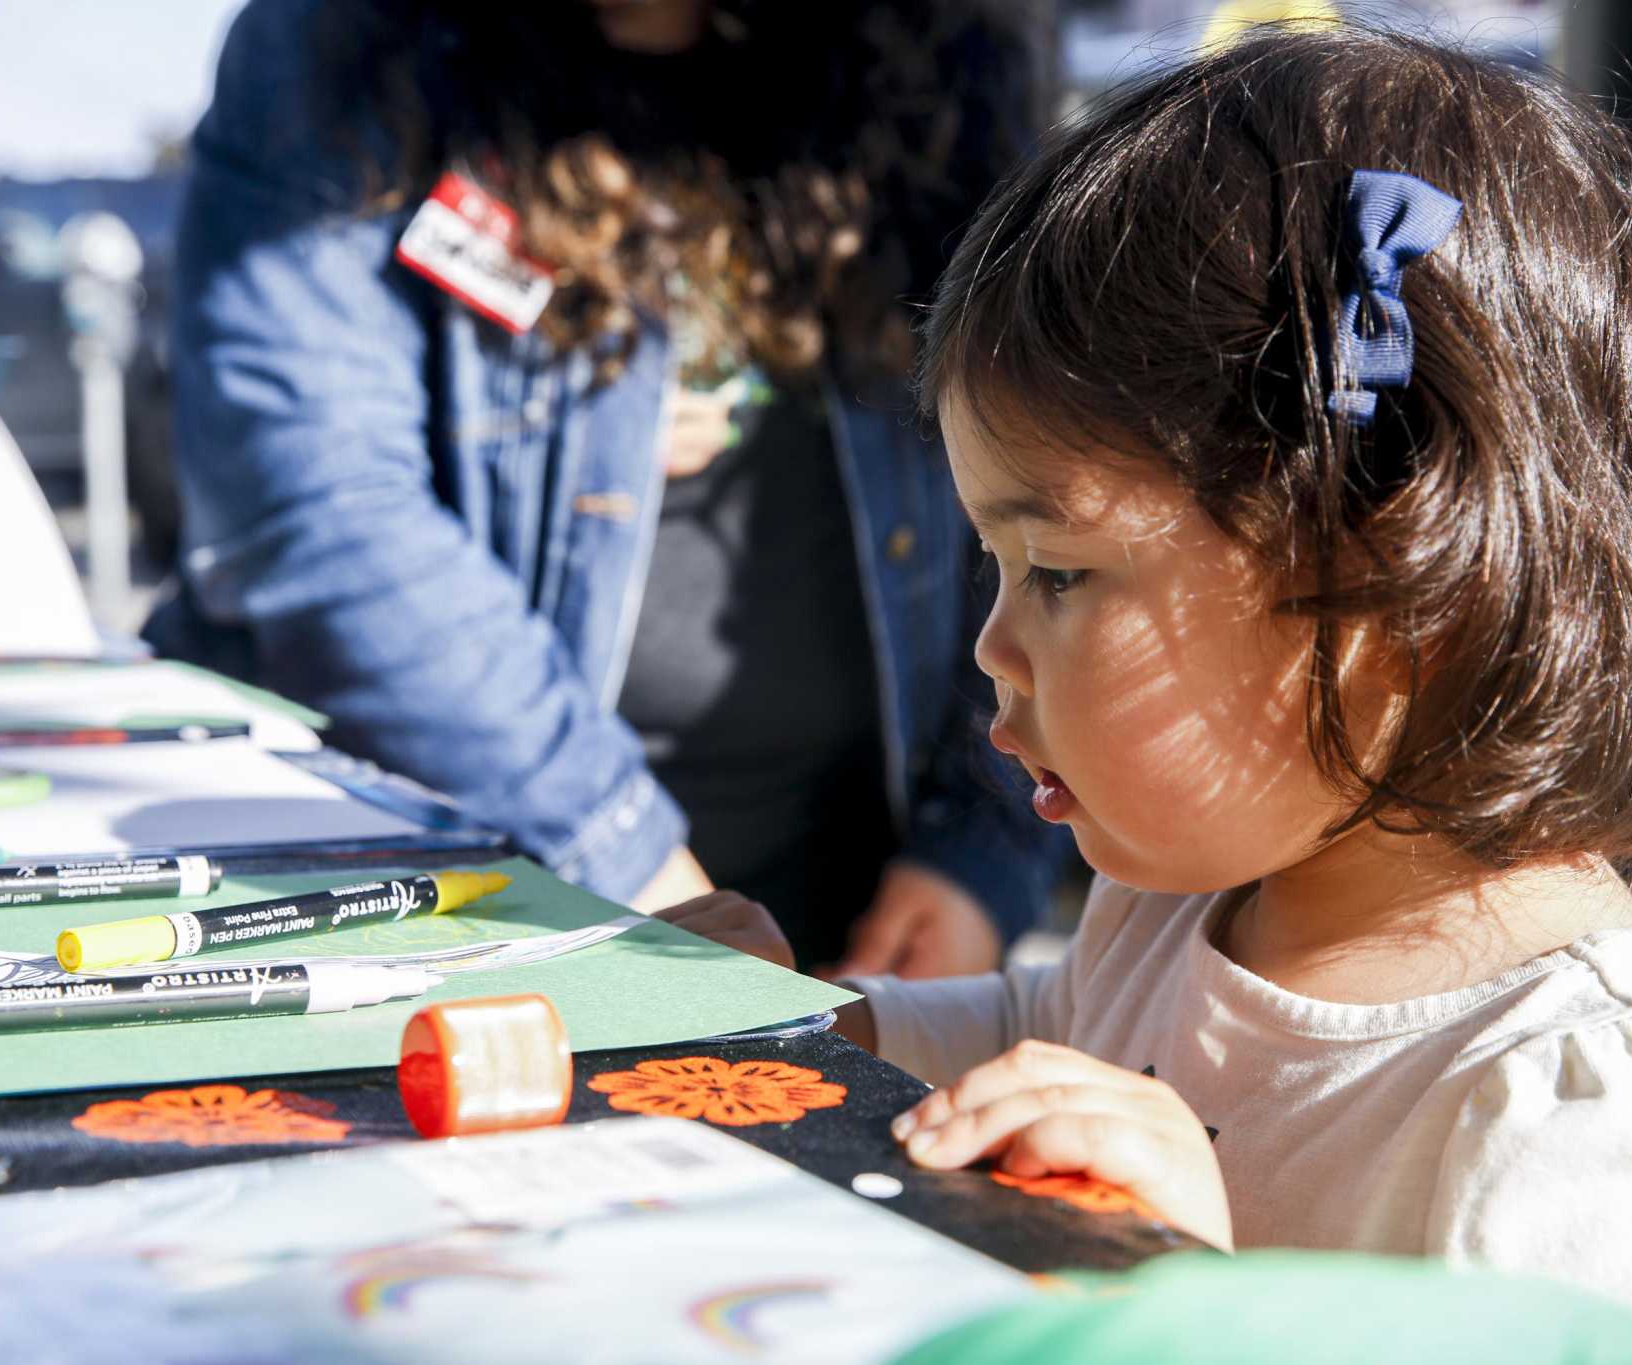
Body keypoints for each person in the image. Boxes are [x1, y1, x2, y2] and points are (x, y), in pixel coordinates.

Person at [660, 24, 1632, 1359]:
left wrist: (1211, 1310)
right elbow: (1037, 1032)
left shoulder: (1604, 1131)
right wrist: (817, 1027)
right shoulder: (1174, 904)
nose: (988, 647)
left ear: (1386, 587)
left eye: (1056, 572)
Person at [144, 0, 1067, 973]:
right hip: (453, 915)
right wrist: (621, 848)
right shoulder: (335, 46)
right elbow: (313, 506)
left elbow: (1038, 488)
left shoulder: (952, 52)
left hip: (846, 923)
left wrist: (977, 857)